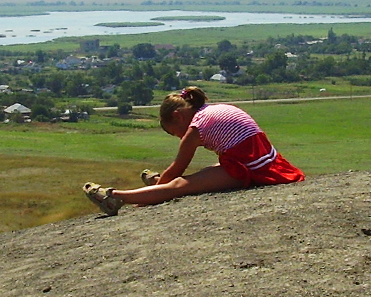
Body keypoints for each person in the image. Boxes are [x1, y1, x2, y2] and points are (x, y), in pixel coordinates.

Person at [83, 86, 304, 215]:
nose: (179, 137)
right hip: (263, 160)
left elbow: (177, 168)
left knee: (179, 185)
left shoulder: (196, 127)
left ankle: (115, 197)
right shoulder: (213, 109)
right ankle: (155, 188)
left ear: (178, 116)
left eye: (175, 132)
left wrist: (164, 187)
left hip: (250, 168)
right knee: (201, 175)